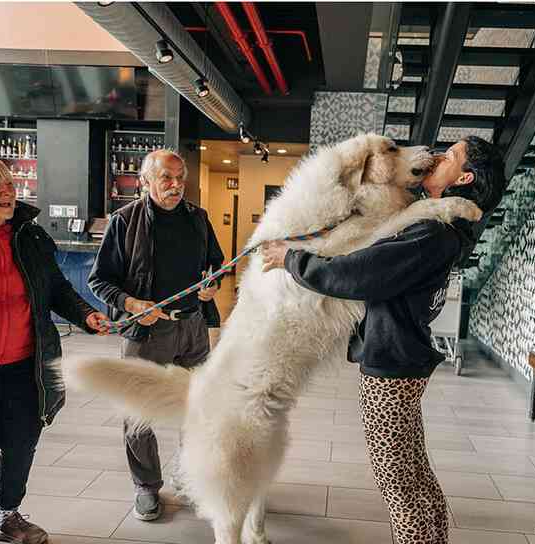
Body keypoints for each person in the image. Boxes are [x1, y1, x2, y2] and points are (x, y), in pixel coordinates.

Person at [260, 136, 505, 544]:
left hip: (391, 368)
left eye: (451, 155)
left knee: (399, 485)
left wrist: (291, 258)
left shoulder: (431, 232)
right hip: (404, 362)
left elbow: (356, 276)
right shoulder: (441, 227)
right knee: (415, 473)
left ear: (463, 177)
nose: (439, 154)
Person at [0, 155, 110, 544]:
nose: (9, 191)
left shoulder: (28, 236)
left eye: (9, 183)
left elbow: (56, 289)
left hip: (27, 363)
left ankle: (9, 514)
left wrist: (87, 314)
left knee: (22, 442)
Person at [88, 149, 224, 521]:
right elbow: (98, 280)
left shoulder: (199, 218)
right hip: (146, 333)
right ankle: (147, 487)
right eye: (166, 178)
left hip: (193, 327)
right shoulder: (123, 221)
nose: (176, 185)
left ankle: (191, 478)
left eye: (180, 178)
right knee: (138, 413)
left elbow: (216, 263)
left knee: (198, 408)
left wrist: (212, 283)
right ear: (145, 182)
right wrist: (131, 304)